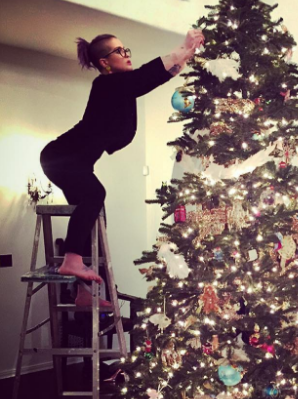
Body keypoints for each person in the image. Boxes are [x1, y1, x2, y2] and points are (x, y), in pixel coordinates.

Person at [40, 29, 204, 306]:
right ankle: (71, 261)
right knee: (95, 195)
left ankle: (82, 292)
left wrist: (189, 53)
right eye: (120, 51)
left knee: (92, 215)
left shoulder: (121, 88)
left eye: (127, 49)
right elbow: (145, 76)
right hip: (62, 157)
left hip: (71, 162)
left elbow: (160, 76)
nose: (127, 55)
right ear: (104, 62)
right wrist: (183, 46)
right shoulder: (106, 85)